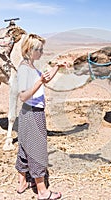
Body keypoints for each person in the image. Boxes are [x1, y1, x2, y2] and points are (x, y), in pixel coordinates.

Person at [15, 33, 67, 200]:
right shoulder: (24, 69)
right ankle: (43, 191)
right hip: (32, 113)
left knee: (24, 147)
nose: (42, 52)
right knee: (37, 150)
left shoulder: (29, 66)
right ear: (30, 50)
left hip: (28, 113)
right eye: (40, 49)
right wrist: (40, 83)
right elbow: (23, 96)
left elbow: (45, 78)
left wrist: (57, 67)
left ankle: (22, 182)